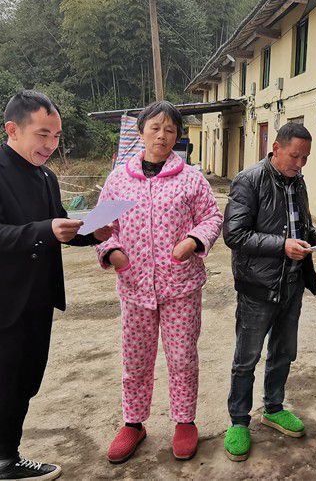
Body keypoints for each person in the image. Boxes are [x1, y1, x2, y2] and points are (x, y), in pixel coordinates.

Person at [0, 90, 112, 481]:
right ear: (13, 129)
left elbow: (59, 226)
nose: (51, 145)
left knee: (22, 388)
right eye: (43, 135)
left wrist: (94, 233)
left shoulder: (46, 176)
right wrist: (46, 229)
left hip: (35, 305)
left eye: (56, 137)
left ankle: (7, 463)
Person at [94, 101, 223, 463]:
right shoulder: (119, 179)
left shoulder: (191, 179)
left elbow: (212, 217)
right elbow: (102, 227)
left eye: (170, 130)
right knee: (136, 359)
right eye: (154, 128)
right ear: (141, 132)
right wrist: (111, 250)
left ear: (178, 136)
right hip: (134, 286)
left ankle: (184, 421)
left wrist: (194, 241)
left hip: (180, 285)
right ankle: (134, 423)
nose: (162, 135)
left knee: (182, 357)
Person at [222, 122, 316, 461]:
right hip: (258, 287)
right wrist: (281, 247)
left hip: (292, 284)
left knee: (283, 353)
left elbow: (298, 224)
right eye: (294, 156)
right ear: (275, 147)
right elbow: (235, 235)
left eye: (305, 158)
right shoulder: (249, 180)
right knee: (246, 359)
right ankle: (238, 422)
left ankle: (273, 407)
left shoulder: (296, 181)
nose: (300, 164)